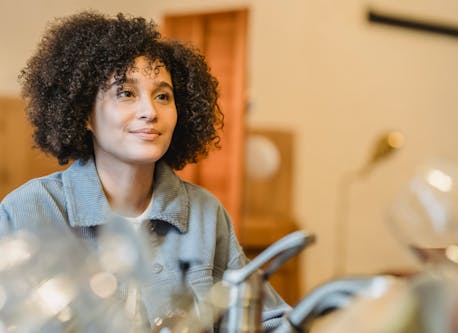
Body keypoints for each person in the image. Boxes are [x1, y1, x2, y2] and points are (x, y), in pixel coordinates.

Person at [0, 10, 290, 331]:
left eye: (162, 96)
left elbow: (270, 321)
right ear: (84, 114)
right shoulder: (27, 210)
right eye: (126, 93)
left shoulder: (206, 214)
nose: (150, 111)